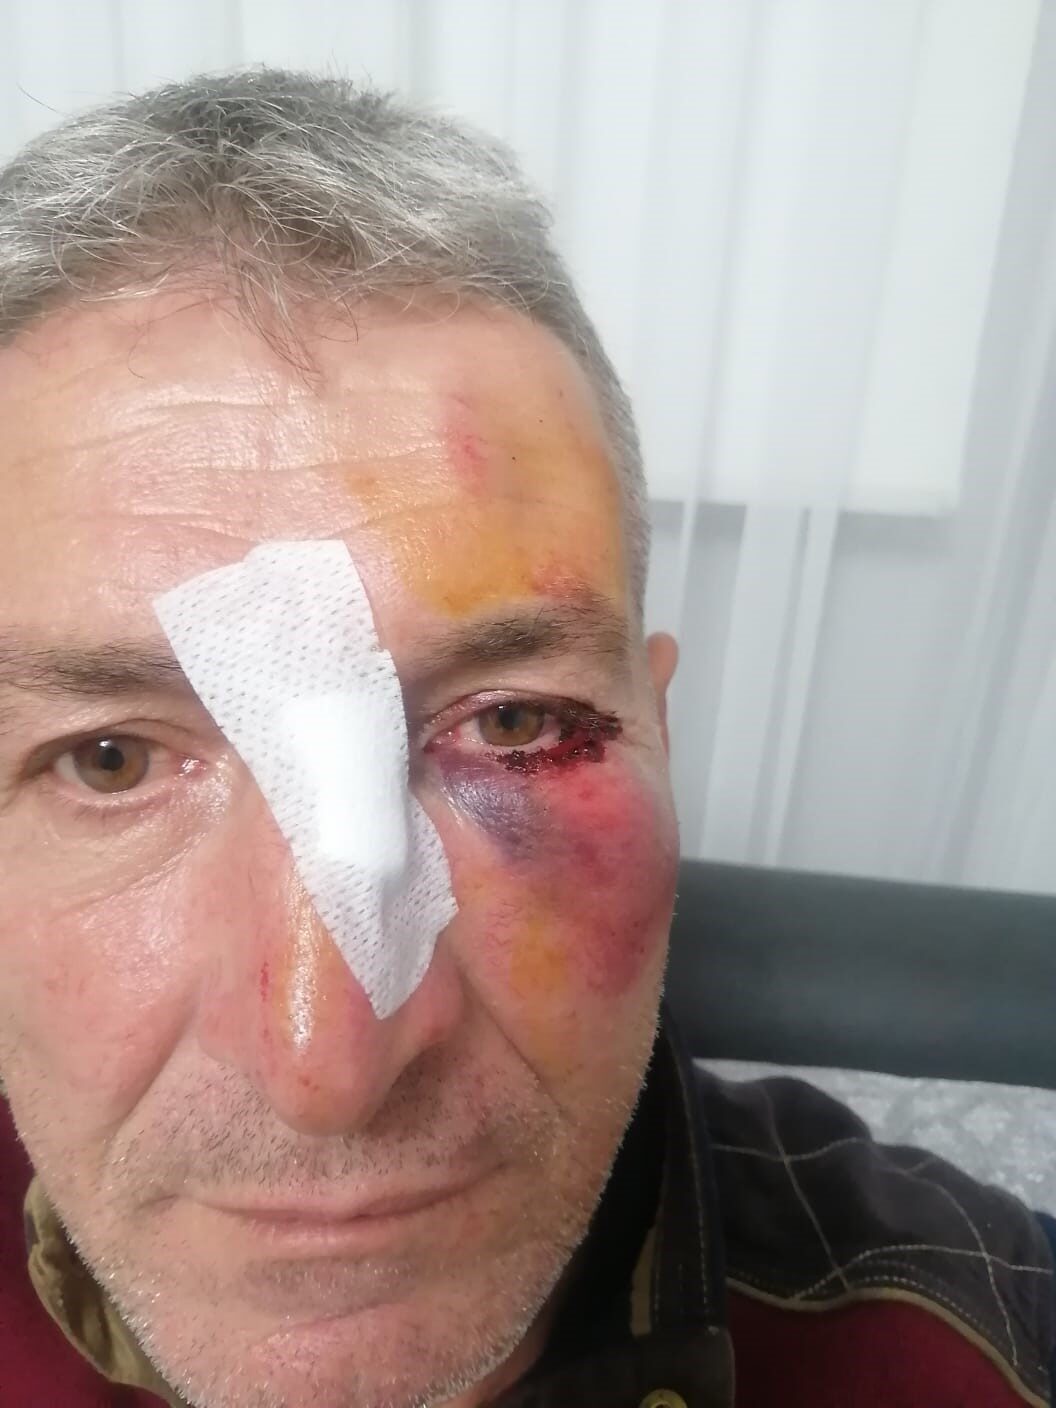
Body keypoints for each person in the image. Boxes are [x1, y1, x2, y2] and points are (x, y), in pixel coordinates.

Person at [0, 68, 1050, 1408]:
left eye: (511, 724)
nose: (330, 1068)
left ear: (661, 742)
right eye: (111, 760)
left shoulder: (976, 1342)